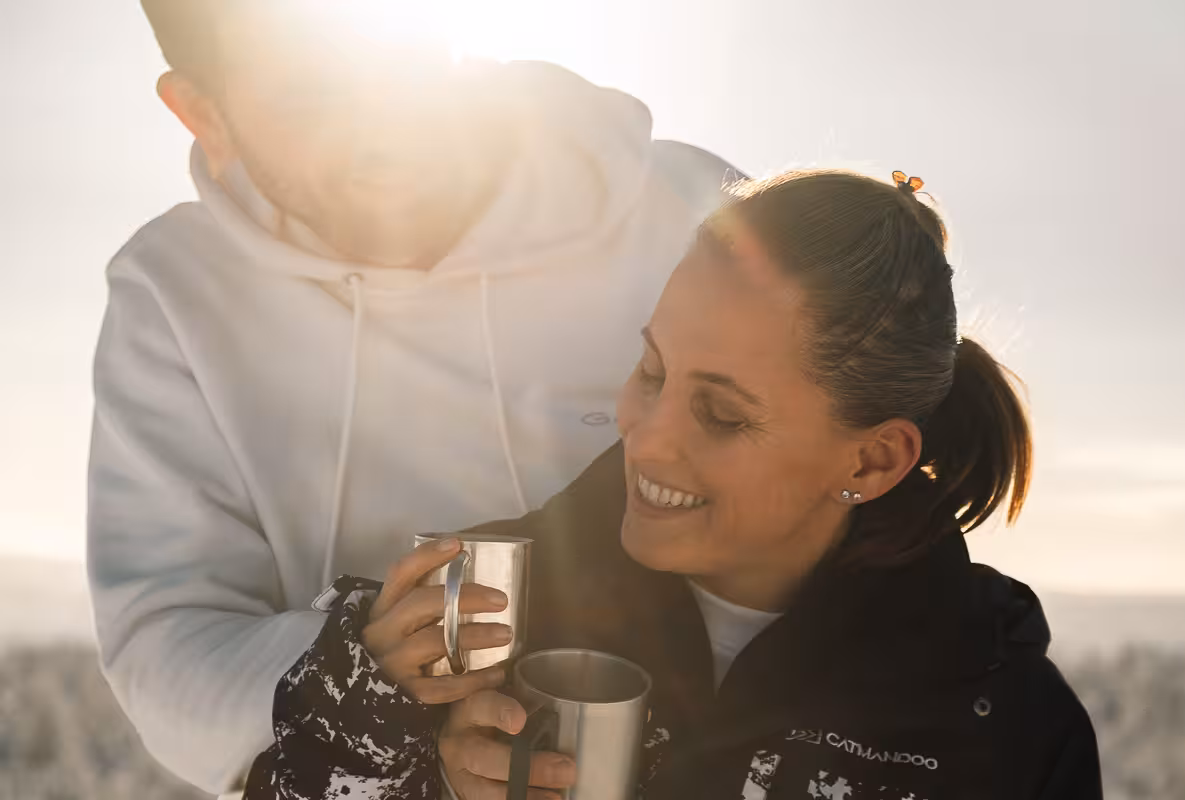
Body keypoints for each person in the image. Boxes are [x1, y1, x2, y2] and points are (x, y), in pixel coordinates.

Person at [243, 170, 1104, 800]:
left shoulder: (999, 727)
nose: (643, 435)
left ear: (871, 461)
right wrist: (387, 734)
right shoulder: (486, 616)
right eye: (651, 370)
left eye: (722, 416)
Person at [86, 1, 736, 795]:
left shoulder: (689, 207)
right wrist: (362, 675)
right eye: (309, 96)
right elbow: (167, 643)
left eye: (403, 70)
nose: (383, 129)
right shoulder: (178, 294)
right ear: (205, 115)